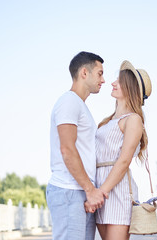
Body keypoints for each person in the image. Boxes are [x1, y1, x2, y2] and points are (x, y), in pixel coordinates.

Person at [85, 60, 152, 240]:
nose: (113, 83)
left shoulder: (134, 120)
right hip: (99, 187)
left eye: (119, 81)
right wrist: (93, 190)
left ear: (130, 88)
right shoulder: (107, 121)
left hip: (115, 191)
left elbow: (124, 161)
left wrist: (101, 192)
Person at [46, 51, 108, 240]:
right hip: (69, 190)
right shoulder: (68, 101)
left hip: (79, 191)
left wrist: (89, 190)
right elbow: (67, 149)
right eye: (99, 73)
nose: (103, 80)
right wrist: (90, 190)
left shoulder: (80, 106)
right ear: (84, 73)